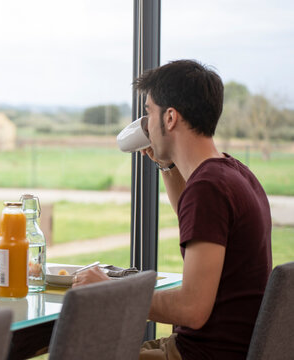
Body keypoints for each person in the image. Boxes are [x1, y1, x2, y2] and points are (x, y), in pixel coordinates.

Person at [73, 60, 272, 360]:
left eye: (149, 111)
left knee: (77, 353)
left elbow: (192, 309)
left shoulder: (209, 187)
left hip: (198, 354)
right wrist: (166, 164)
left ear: (169, 118)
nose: (145, 122)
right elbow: (195, 220)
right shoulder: (233, 173)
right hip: (225, 349)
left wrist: (110, 290)